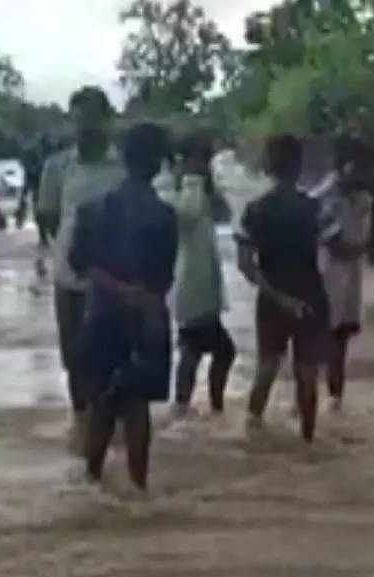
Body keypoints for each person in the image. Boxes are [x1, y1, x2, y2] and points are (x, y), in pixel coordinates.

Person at [69, 123, 178, 491]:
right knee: (137, 407)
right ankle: (138, 488)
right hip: (145, 317)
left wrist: (115, 288)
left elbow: (77, 264)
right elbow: (165, 280)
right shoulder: (165, 216)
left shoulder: (92, 211)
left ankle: (92, 482)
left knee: (100, 403)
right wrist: (140, 299)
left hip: (102, 314)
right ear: (159, 164)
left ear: (123, 158)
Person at [38, 87, 126, 449]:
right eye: (79, 121)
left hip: (115, 283)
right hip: (69, 279)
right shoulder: (57, 167)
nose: (85, 128)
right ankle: (82, 430)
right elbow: (49, 215)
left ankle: (106, 436)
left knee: (111, 363)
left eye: (92, 120)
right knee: (74, 358)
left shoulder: (122, 167)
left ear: (107, 121)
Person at [237, 133, 330, 442]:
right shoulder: (314, 208)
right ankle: (308, 440)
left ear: (268, 166)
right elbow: (338, 247)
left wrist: (276, 295)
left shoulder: (255, 210)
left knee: (266, 368)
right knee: (307, 374)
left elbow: (246, 265)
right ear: (299, 166)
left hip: (272, 296)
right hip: (310, 294)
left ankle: (251, 431)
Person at [161, 131, 235, 417]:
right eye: (204, 157)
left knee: (198, 348)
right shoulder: (186, 190)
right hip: (193, 285)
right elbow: (188, 215)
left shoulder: (186, 190)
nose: (208, 164)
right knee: (210, 350)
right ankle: (196, 408)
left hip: (195, 286)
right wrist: (195, 180)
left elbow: (223, 213)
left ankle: (190, 407)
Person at [317, 138, 374, 411]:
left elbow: (359, 240)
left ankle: (334, 398)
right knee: (323, 336)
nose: (364, 173)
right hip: (327, 274)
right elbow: (333, 240)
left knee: (339, 337)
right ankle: (313, 396)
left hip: (347, 276)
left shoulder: (361, 198)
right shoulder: (326, 195)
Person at [16, 134, 53, 244]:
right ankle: (44, 237)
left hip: (40, 182)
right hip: (38, 182)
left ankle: (44, 237)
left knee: (41, 209)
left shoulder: (36, 153)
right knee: (40, 209)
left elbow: (27, 176)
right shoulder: (35, 153)